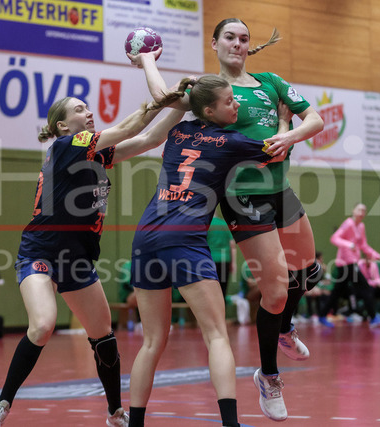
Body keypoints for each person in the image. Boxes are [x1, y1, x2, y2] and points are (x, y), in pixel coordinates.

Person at [129, 19, 325, 421]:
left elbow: (316, 120)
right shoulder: (211, 90)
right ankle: (269, 376)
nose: (237, 43)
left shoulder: (270, 82)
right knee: (275, 292)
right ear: (215, 43)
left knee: (309, 270)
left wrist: (289, 135)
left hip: (280, 189)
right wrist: (148, 60)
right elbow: (163, 99)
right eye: (230, 37)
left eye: (244, 38)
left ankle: (284, 327)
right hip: (242, 196)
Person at [0, 94, 184, 427]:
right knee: (43, 325)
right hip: (40, 253)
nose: (88, 112)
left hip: (77, 261)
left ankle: (115, 413)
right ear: (62, 125)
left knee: (103, 336)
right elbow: (129, 128)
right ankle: (0, 406)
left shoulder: (95, 154)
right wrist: (163, 98)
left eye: (87, 108)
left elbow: (149, 139)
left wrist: (181, 107)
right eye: (79, 109)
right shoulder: (65, 146)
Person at [127, 74, 289, 427]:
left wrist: (182, 94)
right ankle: (230, 424)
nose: (237, 104)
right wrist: (283, 120)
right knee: (216, 335)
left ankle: (134, 423)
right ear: (210, 111)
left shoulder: (178, 132)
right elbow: (278, 150)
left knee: (152, 342)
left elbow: (172, 112)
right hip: (184, 237)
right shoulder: (232, 141)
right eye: (229, 101)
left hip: (146, 236)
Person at [320, 204, 380, 328]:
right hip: (347, 264)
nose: (362, 212)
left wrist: (377, 256)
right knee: (365, 288)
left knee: (337, 292)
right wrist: (349, 244)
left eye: (364, 210)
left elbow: (364, 245)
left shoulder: (361, 226)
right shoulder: (348, 223)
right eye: (359, 209)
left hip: (351, 264)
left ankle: (322, 315)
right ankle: (373, 317)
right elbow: (334, 238)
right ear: (353, 211)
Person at [207, 214, 237, 298]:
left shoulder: (206, 224)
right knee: (223, 289)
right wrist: (233, 263)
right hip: (225, 260)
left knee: (211, 290)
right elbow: (232, 244)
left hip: (210, 260)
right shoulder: (224, 224)